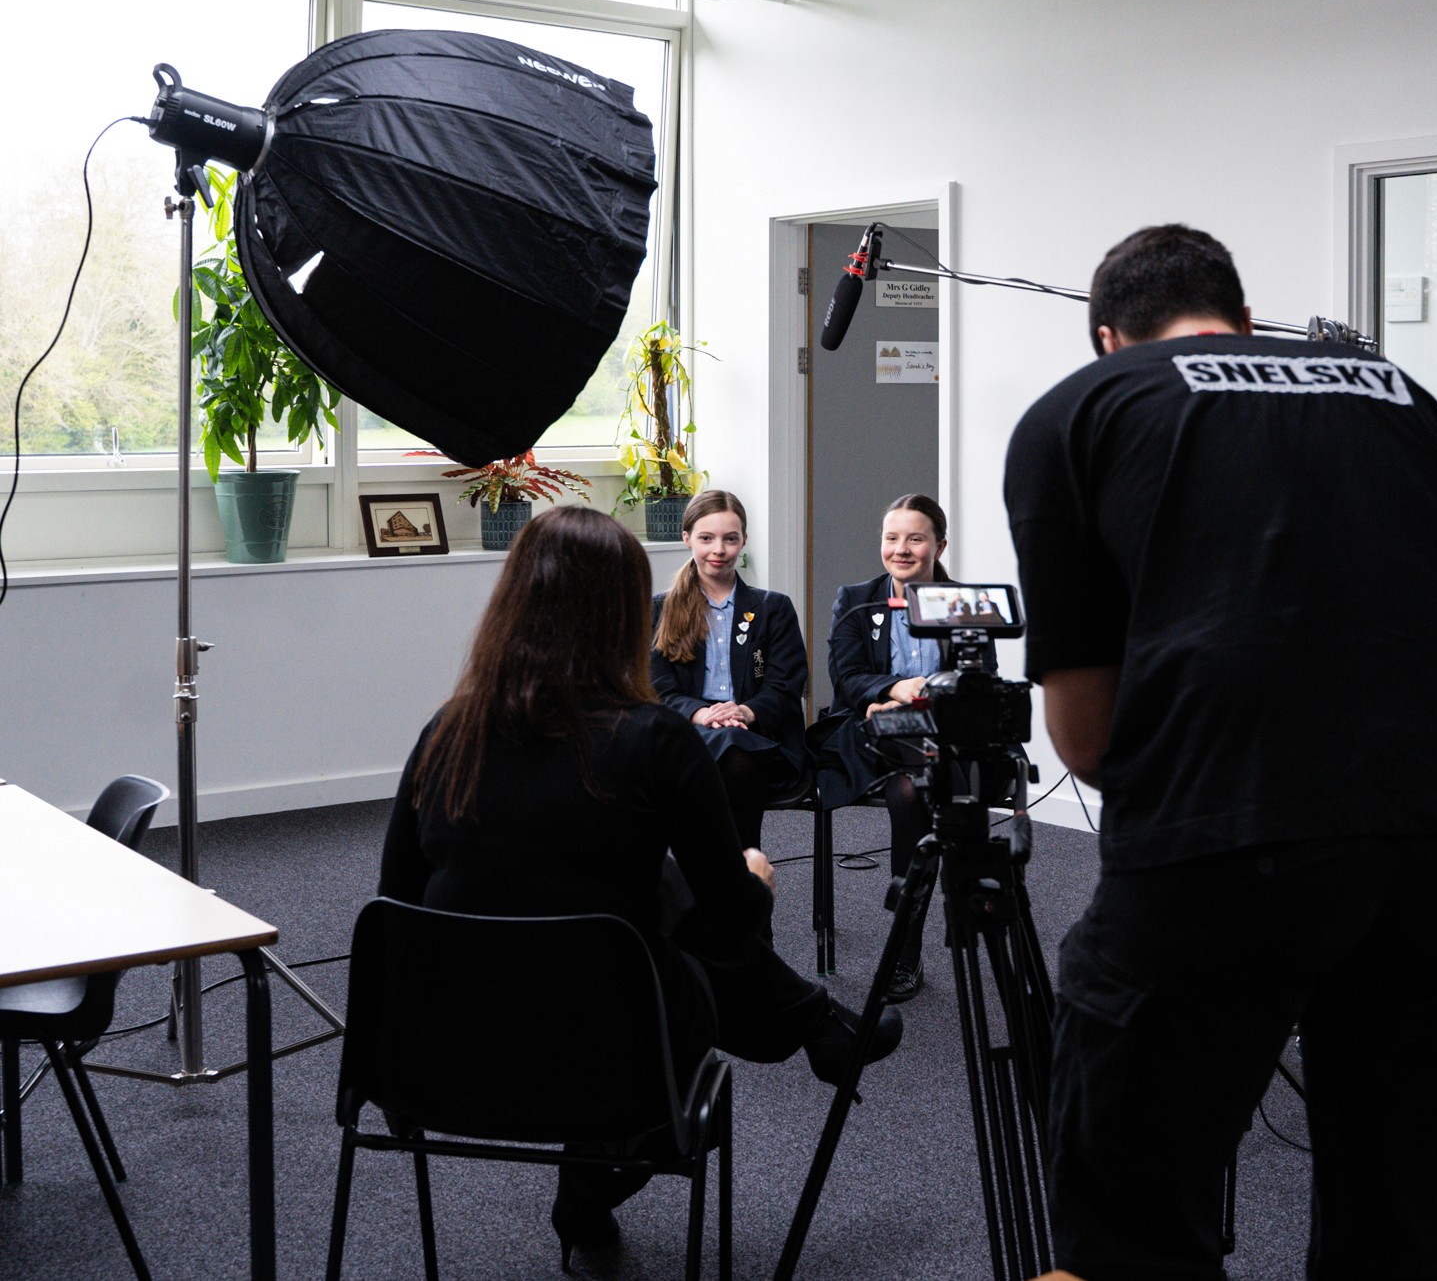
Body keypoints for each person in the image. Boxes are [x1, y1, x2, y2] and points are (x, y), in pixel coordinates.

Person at [1005, 224, 1437, 1280]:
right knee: (1404, 1206)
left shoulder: (1078, 411)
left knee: (1132, 1201)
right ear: (1244, 321)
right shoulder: (1396, 395)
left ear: (1109, 337)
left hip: (1225, 836)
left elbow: (1089, 739)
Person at [379, 506, 900, 1267]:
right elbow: (728, 923)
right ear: (625, 614)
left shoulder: (447, 730)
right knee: (670, 917)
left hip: (450, 1052)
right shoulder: (653, 740)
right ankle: (804, 1027)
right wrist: (754, 880)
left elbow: (397, 903)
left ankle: (817, 1024)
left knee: (643, 888)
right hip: (615, 1055)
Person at [812, 493, 1011, 1003]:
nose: (901, 549)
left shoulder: (964, 600)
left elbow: (981, 675)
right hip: (871, 735)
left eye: (915, 538)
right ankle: (922, 936)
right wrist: (891, 691)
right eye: (892, 537)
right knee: (921, 777)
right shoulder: (856, 598)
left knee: (911, 792)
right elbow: (847, 676)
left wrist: (934, 693)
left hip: (943, 734)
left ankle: (905, 949)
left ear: (939, 545)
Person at [649, 490, 807, 853]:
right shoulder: (660, 609)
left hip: (759, 739)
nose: (718, 549)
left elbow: (786, 685)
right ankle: (739, 878)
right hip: (692, 733)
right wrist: (703, 714)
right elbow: (656, 688)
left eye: (730, 539)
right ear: (686, 537)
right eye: (706, 538)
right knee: (721, 754)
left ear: (744, 541)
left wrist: (743, 712)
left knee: (733, 751)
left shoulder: (773, 608)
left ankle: (721, 880)